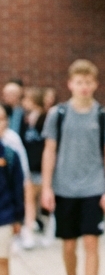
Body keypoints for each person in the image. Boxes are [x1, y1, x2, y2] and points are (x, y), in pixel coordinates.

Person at [41, 59, 105, 275]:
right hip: (64, 187)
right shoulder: (58, 115)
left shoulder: (104, 116)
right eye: (79, 82)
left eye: (88, 82)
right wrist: (47, 187)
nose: (84, 87)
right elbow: (49, 150)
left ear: (95, 84)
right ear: (70, 84)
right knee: (69, 245)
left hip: (93, 187)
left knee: (91, 243)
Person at [0, 111, 26, 275]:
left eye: (1, 119)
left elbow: (18, 188)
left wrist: (19, 217)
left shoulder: (9, 155)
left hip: (4, 215)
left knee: (2, 261)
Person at [19, 88, 47, 249]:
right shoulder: (25, 119)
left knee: (42, 200)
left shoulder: (45, 118)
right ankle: (29, 230)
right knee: (29, 199)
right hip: (30, 166)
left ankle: (47, 228)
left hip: (41, 166)